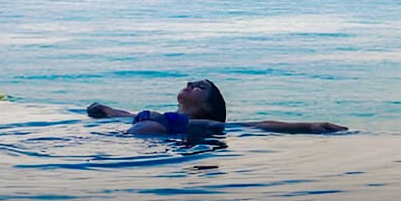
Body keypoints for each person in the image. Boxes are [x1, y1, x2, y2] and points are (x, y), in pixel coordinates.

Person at [87, 79, 347, 135]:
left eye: (199, 87)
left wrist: (311, 125)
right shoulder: (160, 116)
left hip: (169, 136)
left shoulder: (210, 124)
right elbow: (125, 114)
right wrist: (104, 110)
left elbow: (257, 125)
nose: (189, 83)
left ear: (208, 107)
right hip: (135, 138)